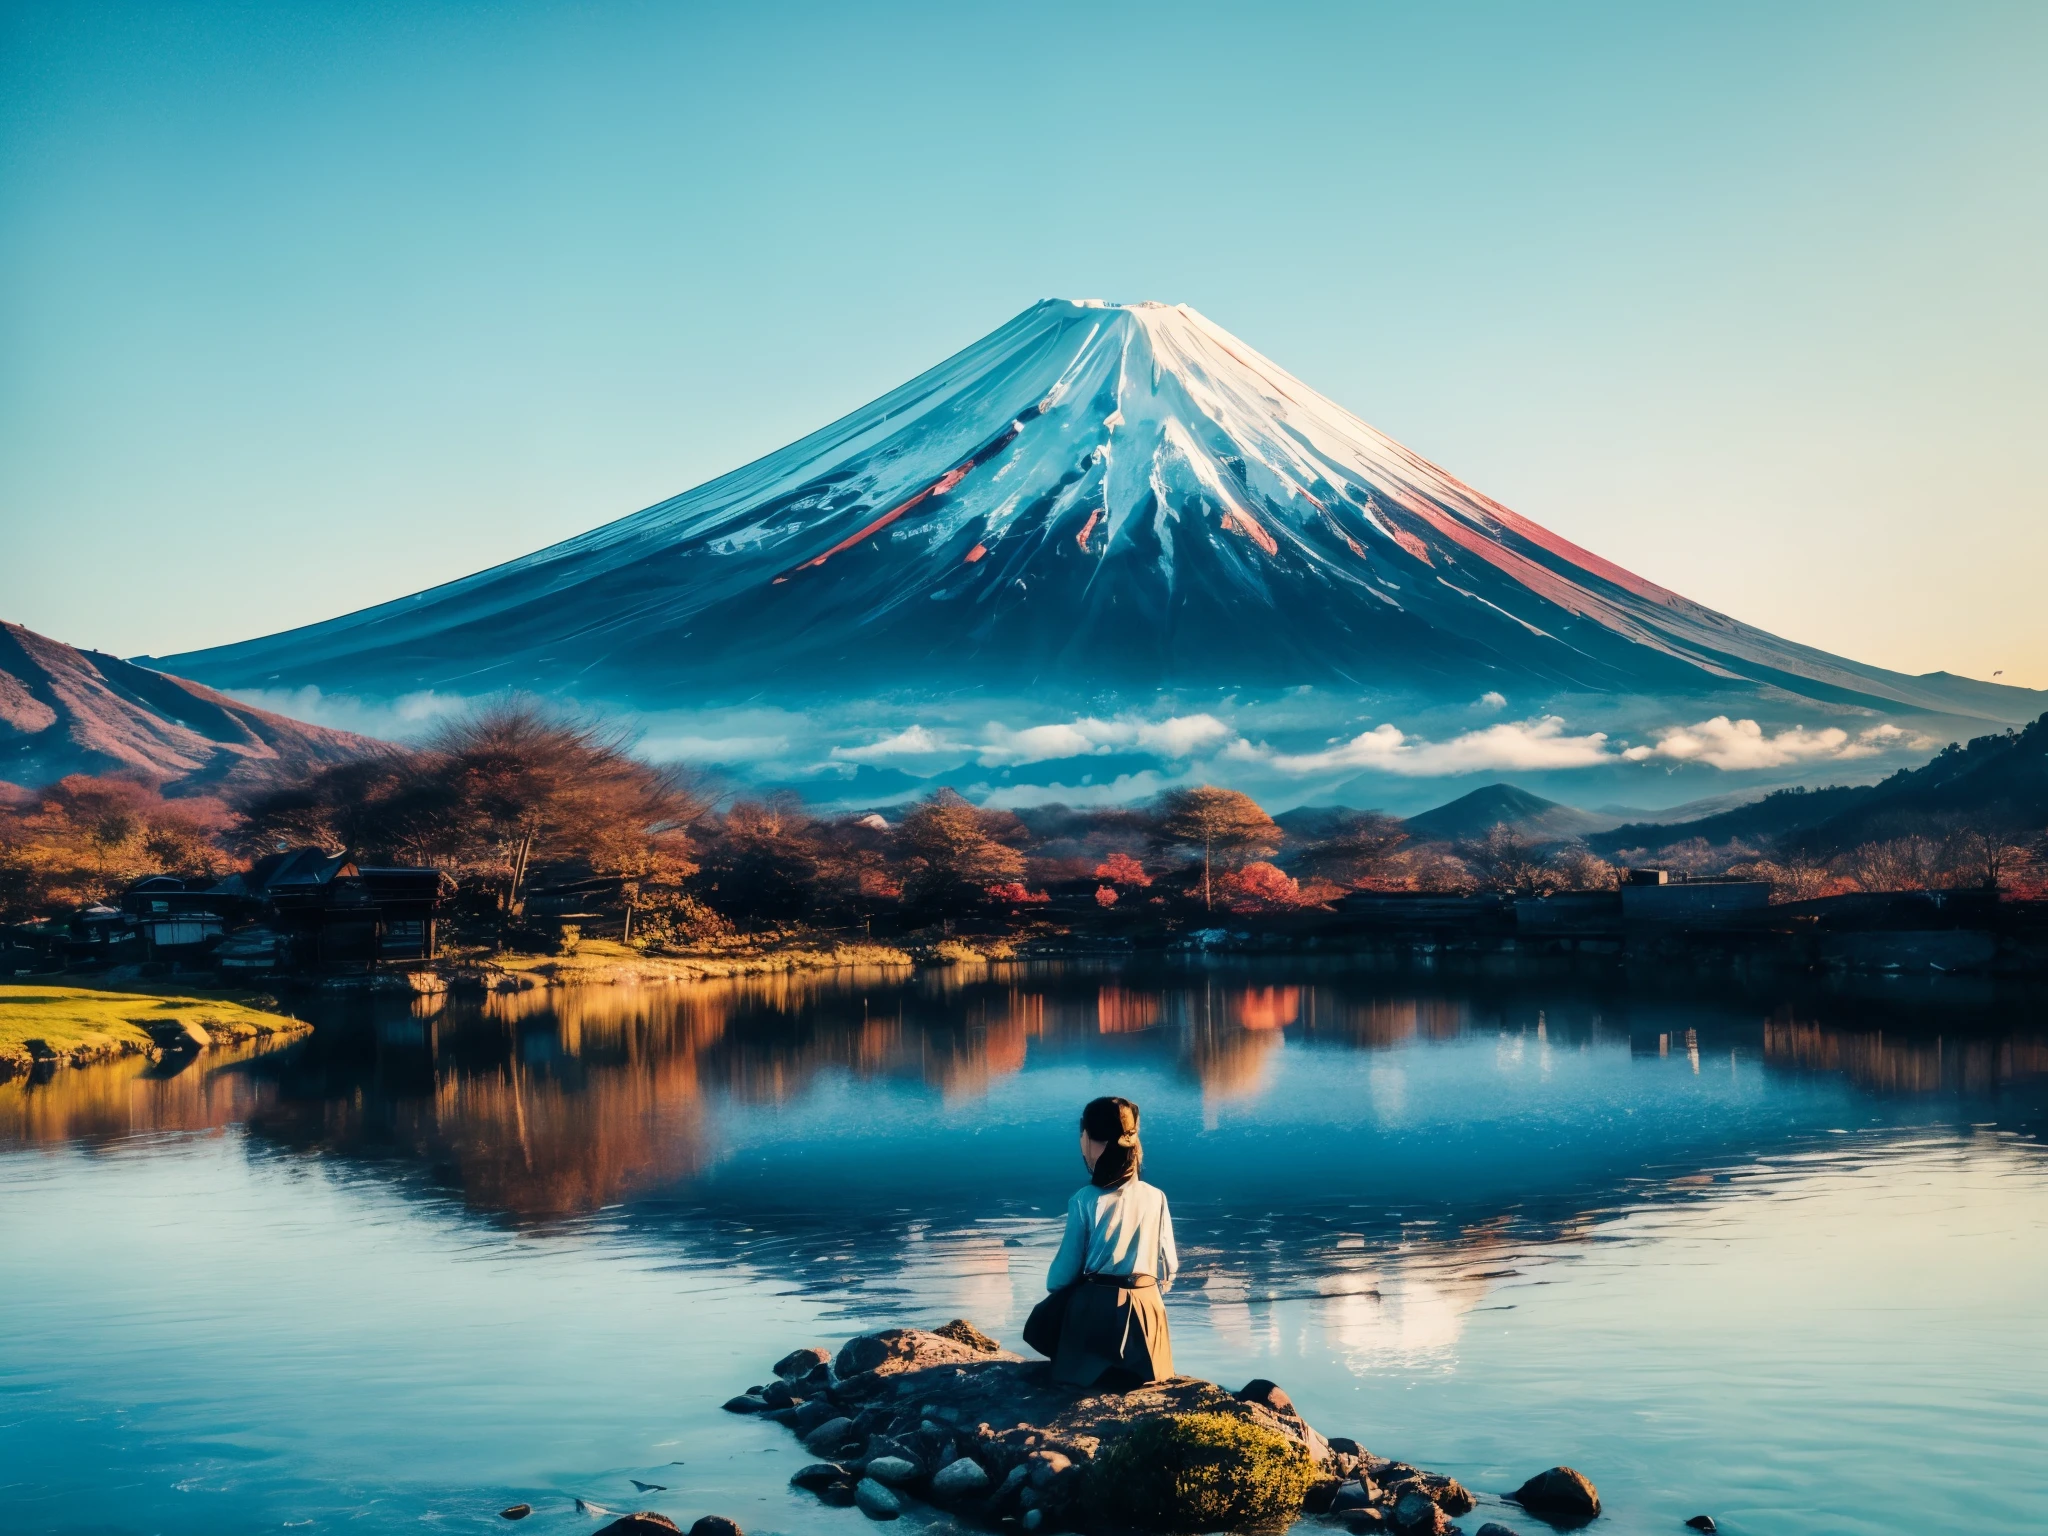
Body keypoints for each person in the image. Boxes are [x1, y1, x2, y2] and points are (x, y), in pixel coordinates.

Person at [1041, 1095, 1178, 1387]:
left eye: (1083, 1135)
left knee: (1045, 1316)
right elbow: (1169, 1268)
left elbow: (1059, 1277)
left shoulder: (1085, 1200)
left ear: (1092, 1141)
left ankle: (1084, 1370)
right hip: (1148, 1311)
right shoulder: (1157, 1196)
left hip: (1099, 1316)